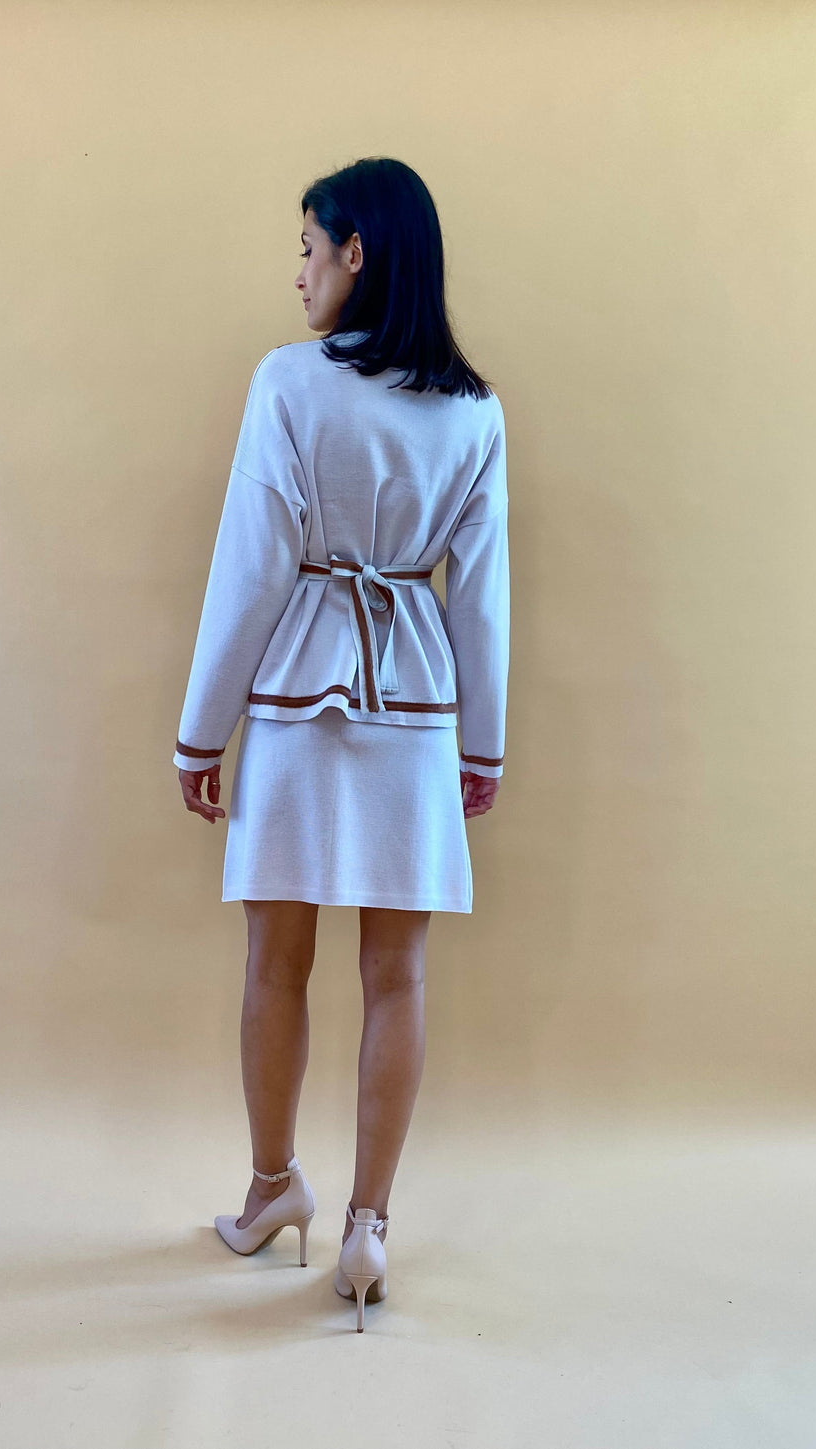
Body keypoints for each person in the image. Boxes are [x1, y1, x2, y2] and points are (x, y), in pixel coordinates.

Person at [173, 157, 510, 1330]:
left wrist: (198, 732)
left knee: (277, 963)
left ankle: (276, 1189)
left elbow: (253, 568)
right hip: (414, 701)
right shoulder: (474, 409)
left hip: (300, 695)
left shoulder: (288, 383)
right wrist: (488, 743)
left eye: (309, 246)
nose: (299, 269)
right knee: (398, 974)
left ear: (357, 252)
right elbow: (482, 596)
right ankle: (367, 1225)